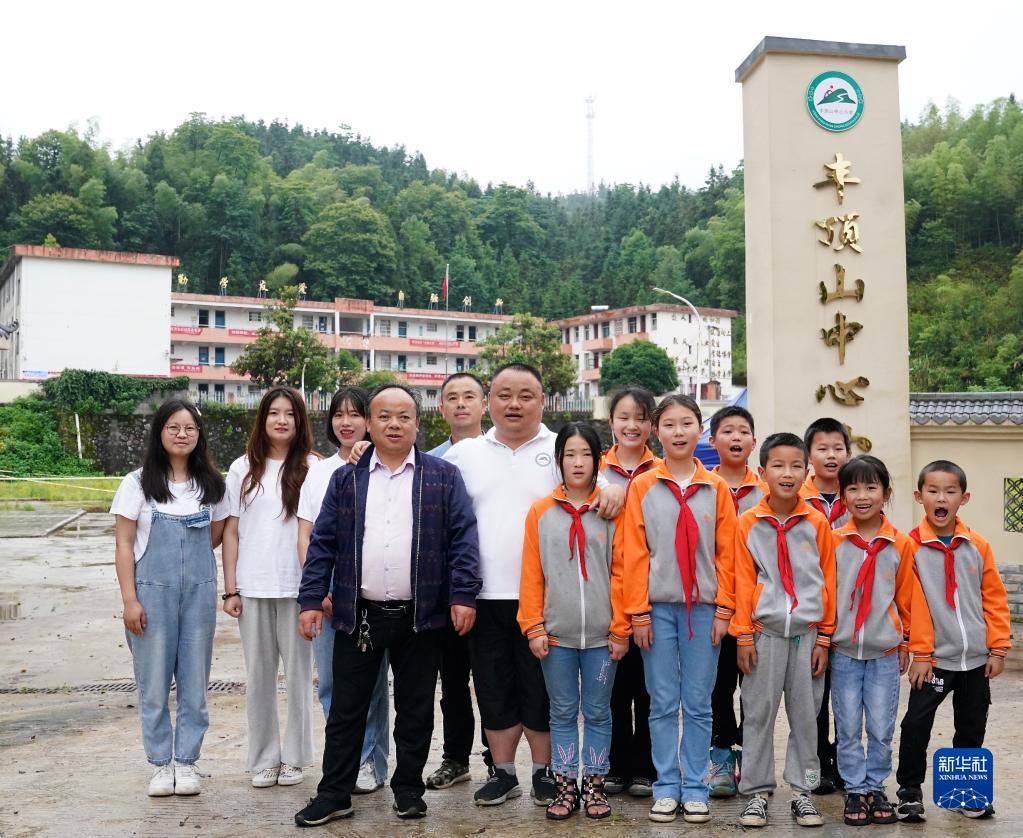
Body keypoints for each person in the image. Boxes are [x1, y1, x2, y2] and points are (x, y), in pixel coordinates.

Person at [294, 383, 481, 826]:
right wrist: (310, 598)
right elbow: (323, 543)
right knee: (346, 709)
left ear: (417, 423)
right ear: (369, 424)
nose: (394, 424)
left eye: (403, 416)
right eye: (384, 416)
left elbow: (462, 539)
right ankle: (334, 793)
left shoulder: (442, 476)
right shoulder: (346, 478)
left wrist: (463, 595)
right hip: (359, 614)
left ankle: (409, 790)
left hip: (422, 616)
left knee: (415, 709)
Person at [443, 362, 626, 807]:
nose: (514, 404)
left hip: (548, 600)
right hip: (484, 595)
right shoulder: (464, 454)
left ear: (543, 401)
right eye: (504, 395)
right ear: (489, 400)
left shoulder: (560, 449)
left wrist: (617, 491)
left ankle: (547, 773)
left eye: (525, 395)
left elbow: (602, 490)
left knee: (541, 692)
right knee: (492, 688)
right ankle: (503, 772)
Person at [621, 394, 737, 825]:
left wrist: (725, 610)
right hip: (658, 610)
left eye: (686, 423)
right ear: (656, 431)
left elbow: (728, 554)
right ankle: (667, 786)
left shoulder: (716, 488)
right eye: (668, 424)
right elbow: (634, 553)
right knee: (663, 701)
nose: (678, 432)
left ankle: (696, 788)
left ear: (699, 429)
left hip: (704, 611)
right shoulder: (643, 486)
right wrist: (638, 612)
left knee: (700, 702)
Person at [112, 399, 228, 797]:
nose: (182, 434)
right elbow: (124, 546)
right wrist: (130, 600)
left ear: (199, 435)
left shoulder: (211, 485)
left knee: (195, 684)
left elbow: (216, 536)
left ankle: (187, 761)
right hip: (151, 596)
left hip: (199, 597)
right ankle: (161, 764)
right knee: (154, 684)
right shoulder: (137, 484)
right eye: (173, 427)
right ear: (159, 432)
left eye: (190, 428)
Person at [518, 423, 629, 821]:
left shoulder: (611, 511)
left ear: (598, 461)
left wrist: (620, 629)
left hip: (603, 639)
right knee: (562, 712)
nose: (578, 462)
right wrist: (533, 626)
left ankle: (594, 785)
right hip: (556, 638)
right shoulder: (541, 512)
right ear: (559, 460)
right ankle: (565, 786)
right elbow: (532, 574)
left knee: (598, 712)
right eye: (570, 455)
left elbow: (623, 572)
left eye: (586, 455)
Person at [894, 460, 1012, 823]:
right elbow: (911, 605)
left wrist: (997, 647)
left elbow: (994, 598)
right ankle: (909, 792)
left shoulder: (978, 545)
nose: (941, 498)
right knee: (915, 724)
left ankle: (965, 793)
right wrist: (920, 653)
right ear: (919, 497)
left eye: (950, 491)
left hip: (975, 659)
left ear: (964, 498)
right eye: (933, 491)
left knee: (971, 726)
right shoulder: (910, 547)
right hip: (934, 661)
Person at [731, 432, 836, 829]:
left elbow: (828, 580)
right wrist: (744, 635)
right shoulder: (748, 524)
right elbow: (742, 582)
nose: (787, 474)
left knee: (806, 718)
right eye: (778, 465)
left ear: (806, 472)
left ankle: (804, 792)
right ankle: (756, 792)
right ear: (762, 472)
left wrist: (824, 637)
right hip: (764, 636)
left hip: (807, 636)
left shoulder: (817, 523)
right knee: (758, 714)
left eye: (795, 466)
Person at [222, 386, 318, 789]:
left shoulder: (313, 466)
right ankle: (264, 759)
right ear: (262, 420)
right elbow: (231, 531)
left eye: (290, 414)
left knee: (299, 679)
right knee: (259, 679)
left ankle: (295, 758)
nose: (282, 420)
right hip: (253, 587)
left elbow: (318, 532)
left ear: (300, 421)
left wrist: (317, 590)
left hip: (298, 589)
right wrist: (231, 589)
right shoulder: (242, 468)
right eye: (274, 413)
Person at [830, 455, 931, 826]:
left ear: (886, 493)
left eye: (871, 487)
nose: (862, 496)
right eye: (853, 488)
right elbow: (827, 594)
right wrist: (824, 639)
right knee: (847, 727)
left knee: (881, 727)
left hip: (885, 653)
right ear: (842, 495)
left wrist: (906, 644)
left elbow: (907, 598)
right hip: (843, 651)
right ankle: (855, 788)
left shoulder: (900, 544)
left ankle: (875, 786)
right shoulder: (833, 540)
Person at [297, 386, 389, 795]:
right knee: (331, 682)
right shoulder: (319, 472)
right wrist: (317, 591)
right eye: (338, 414)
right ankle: (343, 760)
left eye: (355, 414)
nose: (346, 422)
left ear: (369, 420)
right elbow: (306, 534)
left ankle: (369, 760)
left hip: (367, 586)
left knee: (370, 682)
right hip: (328, 583)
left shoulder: (382, 463)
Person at [425, 372, 489, 790]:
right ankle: (455, 758)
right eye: (452, 397)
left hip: (496, 587)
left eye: (469, 396)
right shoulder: (428, 461)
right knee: (452, 680)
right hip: (445, 588)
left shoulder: (501, 453)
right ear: (441, 408)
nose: (461, 403)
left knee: (494, 679)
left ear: (484, 404)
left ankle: (498, 759)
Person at [600, 386, 658, 798]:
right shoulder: (594, 469)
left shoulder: (662, 472)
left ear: (652, 425)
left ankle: (645, 767)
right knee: (613, 689)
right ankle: (615, 764)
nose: (632, 425)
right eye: (624, 417)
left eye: (640, 418)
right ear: (611, 422)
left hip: (651, 594)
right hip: (604, 594)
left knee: (649, 687)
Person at [705, 404, 764, 798]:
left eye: (743, 431)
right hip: (715, 607)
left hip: (758, 609)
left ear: (754, 441)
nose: (736, 437)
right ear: (713, 441)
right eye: (727, 431)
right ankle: (722, 757)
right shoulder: (703, 488)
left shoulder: (768, 490)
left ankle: (753, 759)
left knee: (755, 689)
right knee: (718, 686)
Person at [800, 417, 852, 796]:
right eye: (822, 448)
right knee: (813, 697)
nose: (831, 455)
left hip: (850, 616)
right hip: (810, 616)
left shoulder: (859, 497)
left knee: (845, 697)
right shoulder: (796, 499)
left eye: (838, 448)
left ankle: (843, 762)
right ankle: (815, 764)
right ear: (809, 455)